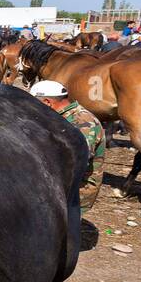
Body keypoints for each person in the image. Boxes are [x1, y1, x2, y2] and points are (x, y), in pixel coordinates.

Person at [32, 80, 105, 214]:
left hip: (76, 190)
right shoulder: (59, 116)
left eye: (34, 104)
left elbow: (77, 160)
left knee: (66, 230)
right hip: (59, 184)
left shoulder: (83, 121)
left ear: (47, 102)